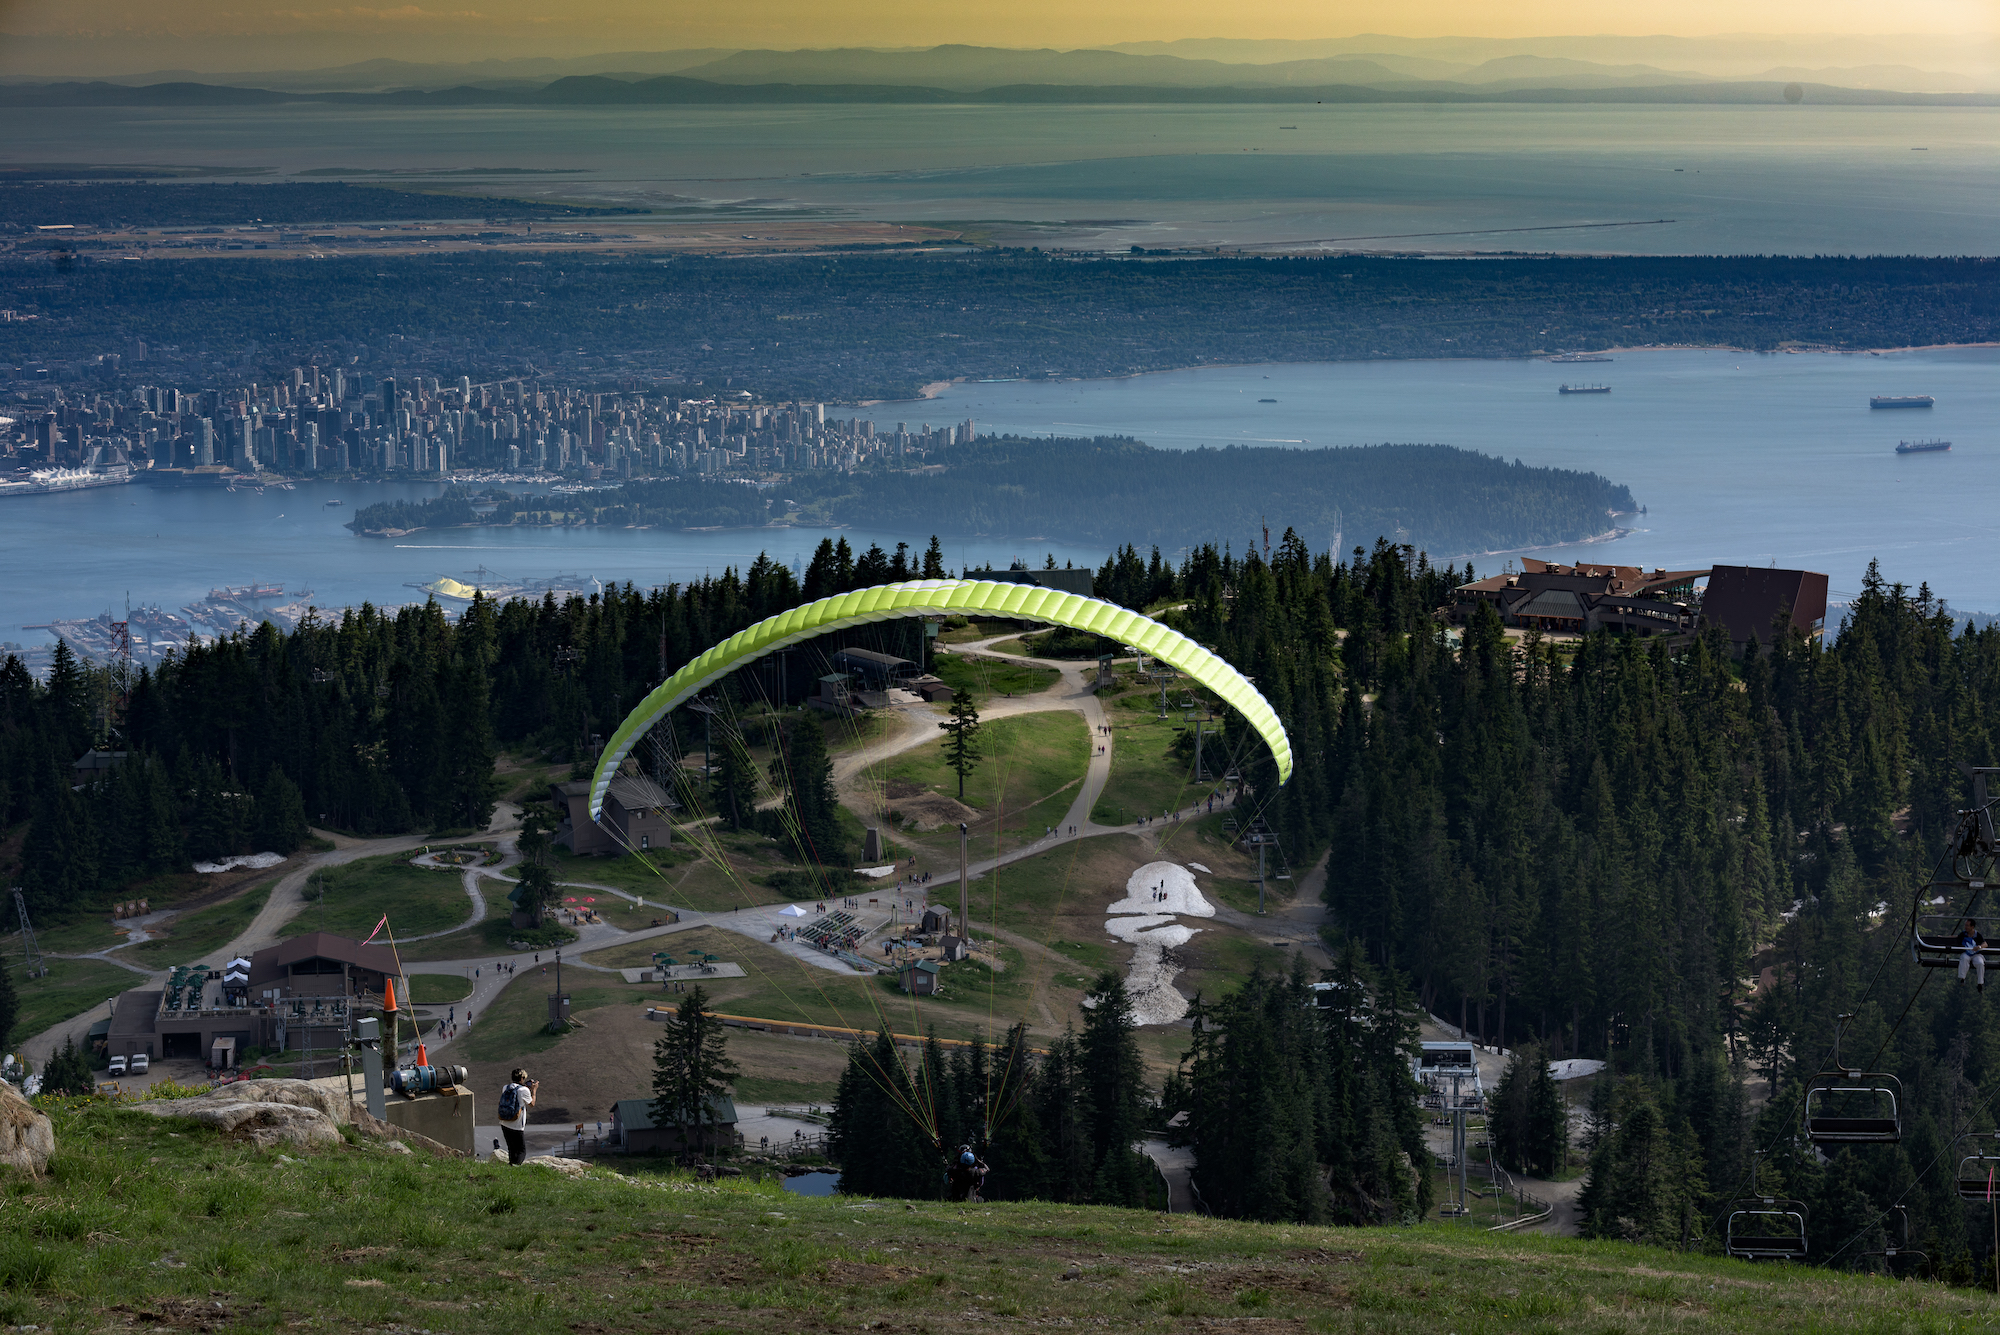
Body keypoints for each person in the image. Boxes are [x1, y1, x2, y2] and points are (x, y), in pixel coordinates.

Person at [498, 1068, 538, 1164]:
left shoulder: (505, 1087)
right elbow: (531, 1104)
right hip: (516, 1124)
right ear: (522, 1078)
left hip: (504, 1121)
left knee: (511, 1148)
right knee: (521, 1151)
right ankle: (516, 1166)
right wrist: (534, 1090)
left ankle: (511, 1165)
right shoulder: (524, 1090)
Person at [1960, 918, 1987, 991]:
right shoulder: (1963, 934)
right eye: (1965, 925)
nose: (1965, 927)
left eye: (1967, 925)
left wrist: (1979, 947)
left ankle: (1980, 983)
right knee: (1964, 958)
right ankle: (1962, 978)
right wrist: (1942, 937)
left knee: (1980, 963)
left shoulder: (1977, 935)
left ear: (1972, 927)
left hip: (1976, 954)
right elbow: (1956, 937)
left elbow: (1985, 944)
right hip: (1967, 953)